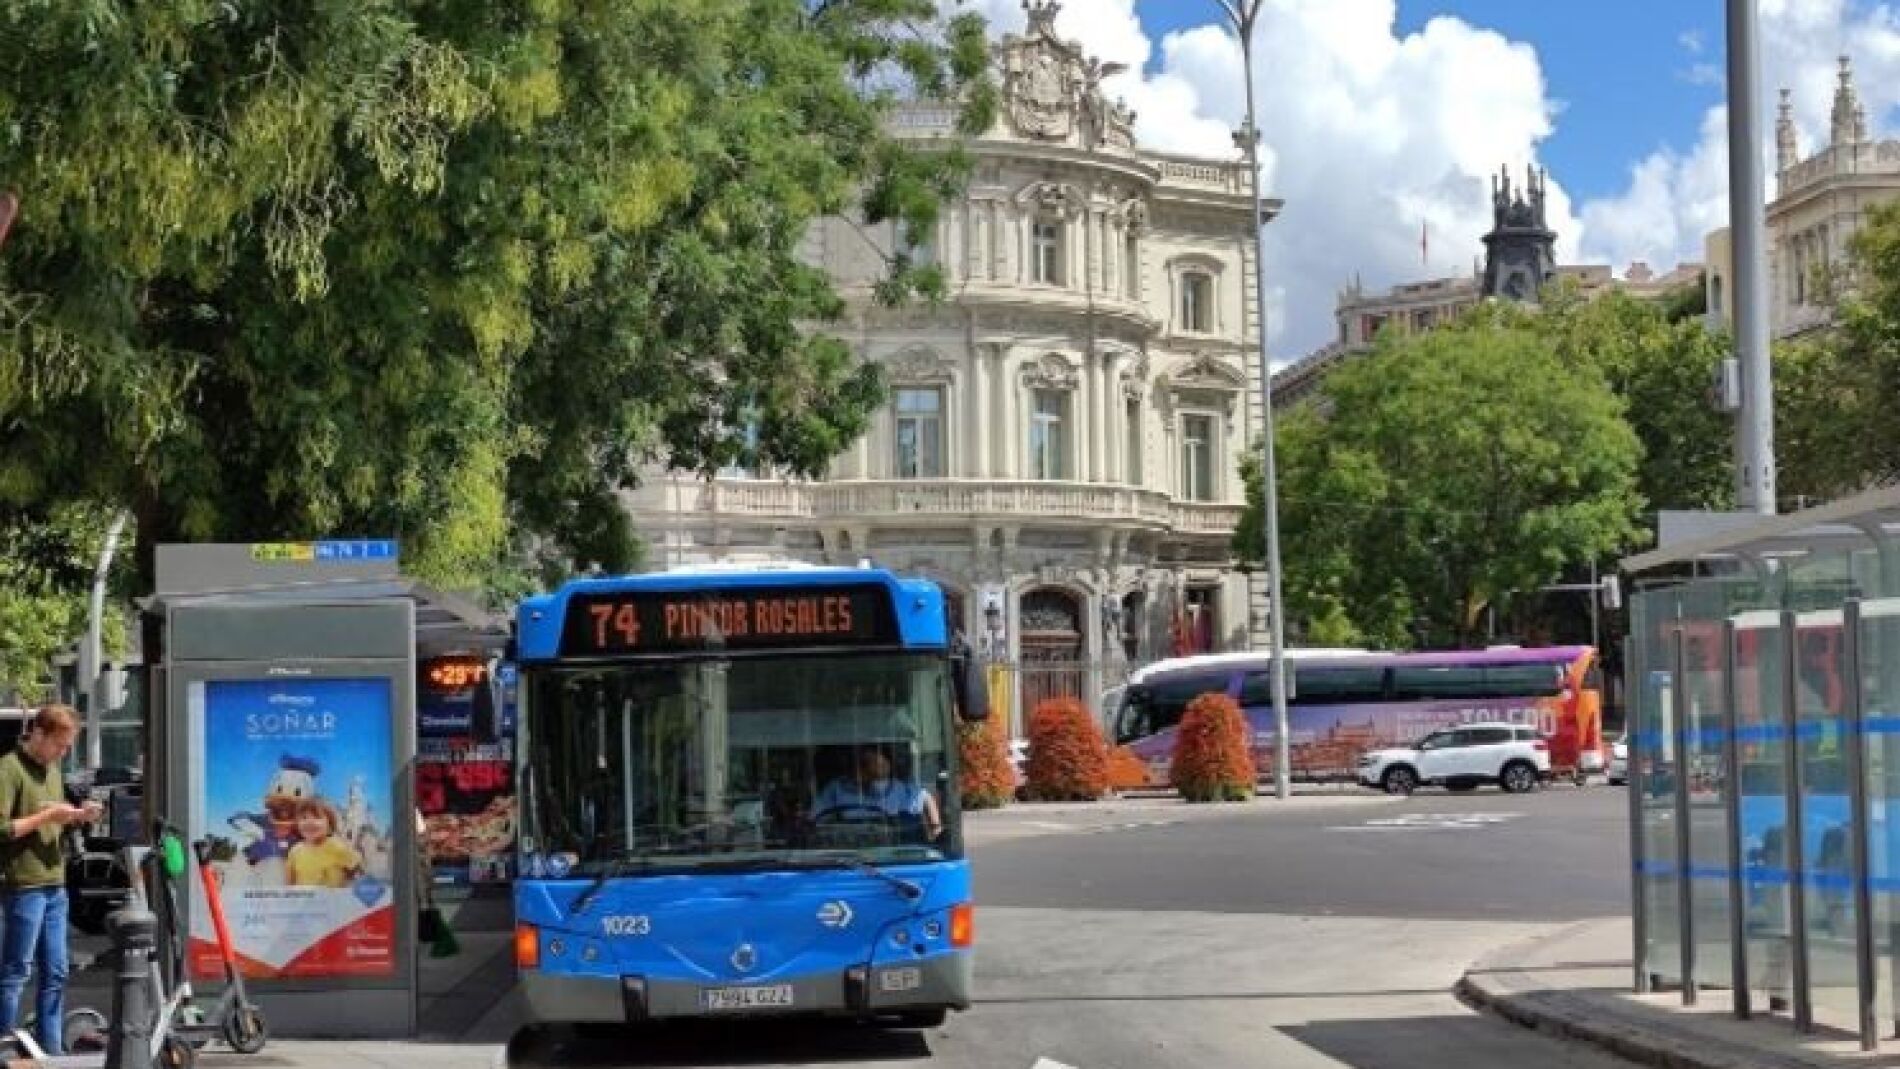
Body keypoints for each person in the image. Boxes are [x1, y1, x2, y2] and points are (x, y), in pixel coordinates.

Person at [0, 704, 99, 1055]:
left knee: (56, 971)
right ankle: (6, 1047)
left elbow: (53, 818)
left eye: (68, 745)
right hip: (23, 886)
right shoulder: (9, 769)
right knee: (15, 971)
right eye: (59, 744)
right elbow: (4, 829)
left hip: (55, 884)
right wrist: (47, 816)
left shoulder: (53, 770)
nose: (63, 752)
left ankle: (51, 1049)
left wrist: (76, 816)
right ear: (38, 734)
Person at [812, 746, 942, 841]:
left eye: (870, 765)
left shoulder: (898, 788)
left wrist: (937, 832)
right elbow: (816, 820)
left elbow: (925, 798)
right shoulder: (836, 789)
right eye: (862, 764)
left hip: (891, 852)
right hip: (847, 851)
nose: (863, 770)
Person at [284, 799, 362, 889]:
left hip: (332, 901)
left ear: (330, 825)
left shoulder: (337, 847)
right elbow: (289, 884)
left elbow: (359, 874)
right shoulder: (295, 851)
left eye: (317, 817)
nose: (309, 822)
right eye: (304, 818)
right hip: (304, 901)